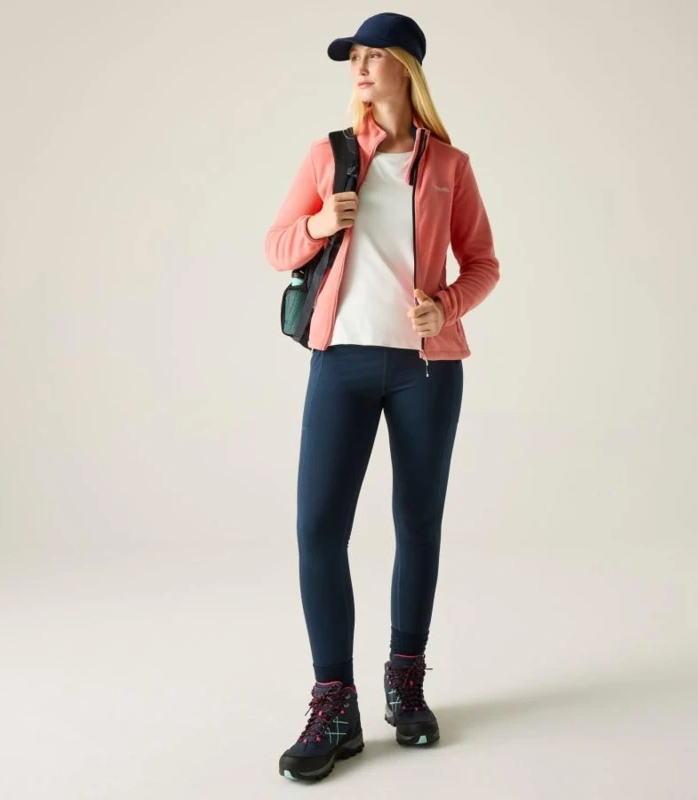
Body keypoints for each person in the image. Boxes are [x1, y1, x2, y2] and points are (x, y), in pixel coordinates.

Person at [265, 12, 501, 782]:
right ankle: (335, 704)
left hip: (425, 371)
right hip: (342, 362)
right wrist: (314, 221)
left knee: (417, 526)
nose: (361, 68)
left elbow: (484, 263)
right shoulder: (329, 155)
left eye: (374, 56)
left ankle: (407, 685)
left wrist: (447, 306)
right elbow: (275, 245)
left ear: (407, 68)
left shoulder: (450, 166)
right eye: (355, 59)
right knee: (318, 527)